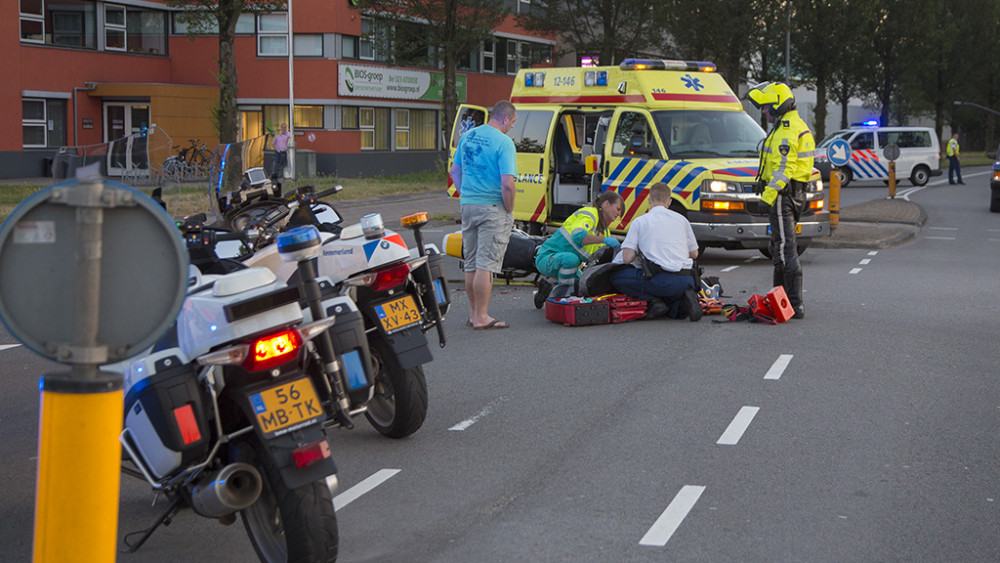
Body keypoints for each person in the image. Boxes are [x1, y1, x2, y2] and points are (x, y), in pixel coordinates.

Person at [746, 81, 813, 319]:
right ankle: (779, 298)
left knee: (785, 249)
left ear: (777, 104)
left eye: (766, 107)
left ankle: (793, 304)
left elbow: (784, 170)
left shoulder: (786, 130)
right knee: (779, 248)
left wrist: (767, 195)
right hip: (787, 194)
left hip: (782, 197)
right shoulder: (786, 126)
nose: (764, 111)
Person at [449, 100, 518, 330]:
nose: (511, 128)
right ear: (506, 119)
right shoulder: (504, 142)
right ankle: (482, 317)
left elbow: (454, 170)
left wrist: (465, 194)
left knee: (471, 263)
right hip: (492, 207)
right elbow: (508, 183)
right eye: (513, 123)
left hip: (468, 205)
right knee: (485, 264)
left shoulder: (468, 136)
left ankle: (473, 313)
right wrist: (508, 208)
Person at [608, 182, 701, 321]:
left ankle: (653, 301)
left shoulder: (640, 222)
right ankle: (680, 304)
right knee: (669, 303)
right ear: (669, 202)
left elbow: (627, 258)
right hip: (687, 280)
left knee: (616, 277)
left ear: (649, 200)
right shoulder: (683, 220)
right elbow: (694, 254)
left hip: (661, 281)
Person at [533, 191, 625, 306]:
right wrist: (604, 240)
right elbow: (578, 237)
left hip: (568, 263)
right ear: (606, 204)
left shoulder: (604, 230)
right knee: (571, 260)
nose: (619, 214)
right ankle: (562, 300)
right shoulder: (589, 214)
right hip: (546, 258)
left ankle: (547, 290)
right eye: (618, 209)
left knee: (584, 287)